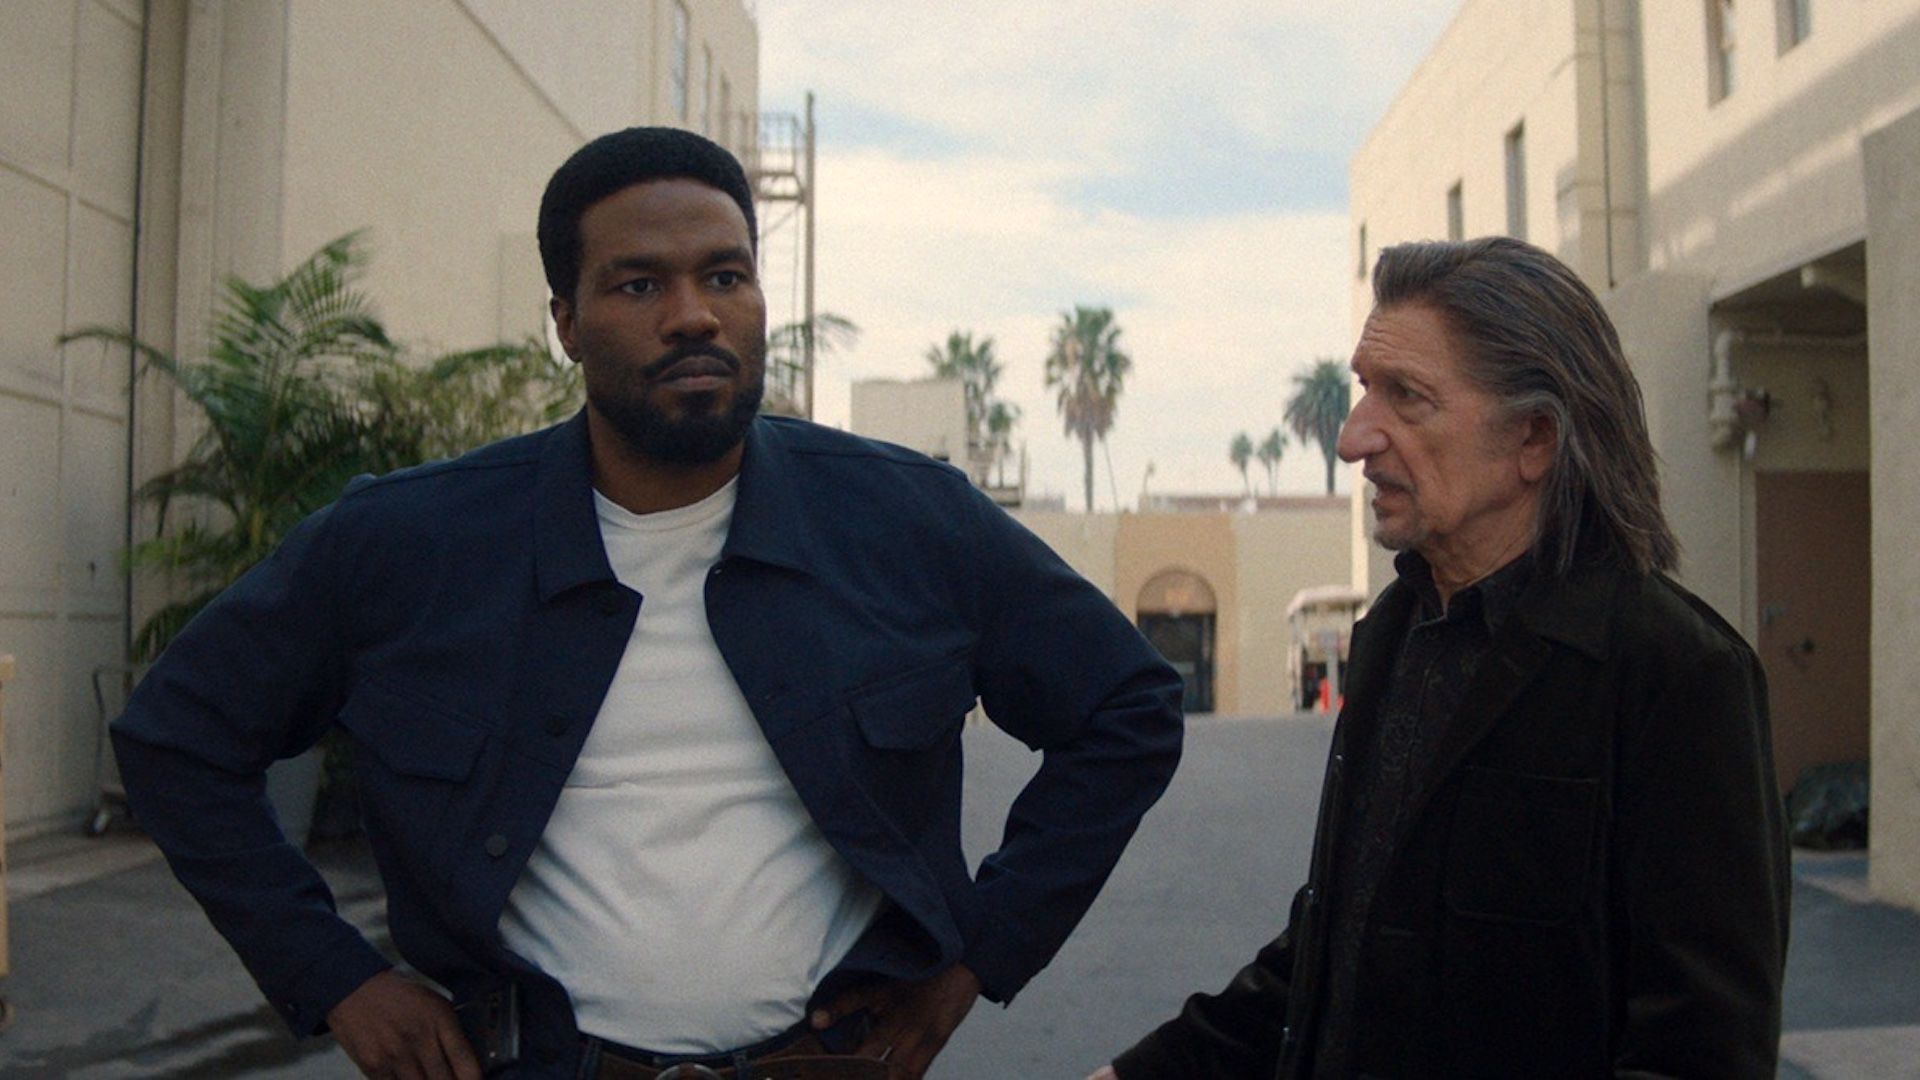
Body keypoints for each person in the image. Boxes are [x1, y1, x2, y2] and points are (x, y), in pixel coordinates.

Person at [114, 127, 1185, 1080]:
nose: (693, 316)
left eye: (725, 276)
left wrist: (974, 962)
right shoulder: (409, 545)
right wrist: (336, 977)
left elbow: (1125, 708)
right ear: (566, 323)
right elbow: (177, 739)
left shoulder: (908, 523)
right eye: (638, 286)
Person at [1094, 237, 1788, 1078]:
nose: (1353, 438)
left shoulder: (1677, 677)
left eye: (1407, 397)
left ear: (1533, 439)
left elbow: (1700, 1054)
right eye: (1364, 390)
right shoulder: (1394, 635)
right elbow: (1333, 952)